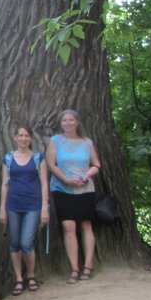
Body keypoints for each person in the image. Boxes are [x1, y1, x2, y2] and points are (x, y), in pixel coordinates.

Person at [46, 109, 101, 284]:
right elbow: (50, 163)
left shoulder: (87, 142)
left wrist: (87, 176)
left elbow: (96, 164)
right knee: (68, 225)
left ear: (77, 122)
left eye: (70, 120)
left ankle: (88, 265)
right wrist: (65, 179)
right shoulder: (55, 141)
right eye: (64, 121)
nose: (67, 123)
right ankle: (74, 268)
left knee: (86, 224)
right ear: (61, 123)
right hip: (62, 188)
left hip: (85, 188)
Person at [0, 126, 49, 295]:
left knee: (26, 243)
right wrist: (2, 209)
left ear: (30, 139)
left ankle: (31, 275)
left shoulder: (38, 157)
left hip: (32, 206)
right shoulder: (8, 158)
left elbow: (44, 184)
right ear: (15, 138)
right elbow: (5, 184)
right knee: (14, 243)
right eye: (20, 135)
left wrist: (44, 208)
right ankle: (19, 279)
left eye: (26, 135)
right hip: (13, 205)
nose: (23, 138)